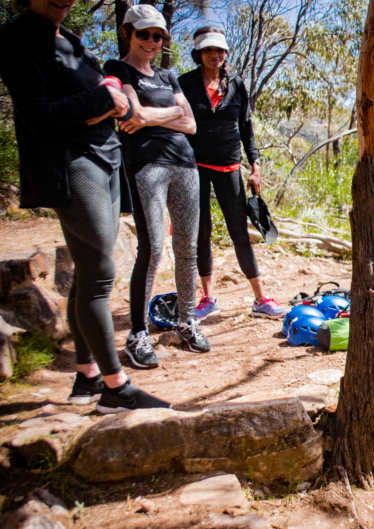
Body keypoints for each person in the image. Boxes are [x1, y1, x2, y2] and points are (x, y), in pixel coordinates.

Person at [0, 0, 169, 411]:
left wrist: (114, 97)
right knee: (99, 273)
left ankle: (87, 375)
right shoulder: (17, 39)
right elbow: (38, 114)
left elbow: (100, 94)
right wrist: (103, 101)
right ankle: (116, 388)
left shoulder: (71, 41)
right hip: (72, 165)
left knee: (85, 273)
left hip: (106, 158)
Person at [104, 4, 210, 368]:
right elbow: (132, 115)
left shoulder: (167, 77)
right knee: (151, 251)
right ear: (128, 34)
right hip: (147, 166)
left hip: (185, 165)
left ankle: (186, 321)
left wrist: (152, 116)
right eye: (144, 34)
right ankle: (137, 334)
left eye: (157, 36)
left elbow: (192, 124)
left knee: (188, 249)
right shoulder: (117, 70)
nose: (151, 41)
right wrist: (167, 115)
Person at [179, 26, 287, 320]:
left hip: (229, 166)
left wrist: (256, 164)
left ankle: (261, 298)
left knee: (239, 231)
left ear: (226, 54)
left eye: (219, 51)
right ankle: (207, 298)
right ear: (199, 54)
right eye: (209, 50)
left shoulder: (236, 84)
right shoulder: (185, 84)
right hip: (195, 167)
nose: (215, 55)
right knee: (201, 232)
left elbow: (247, 126)